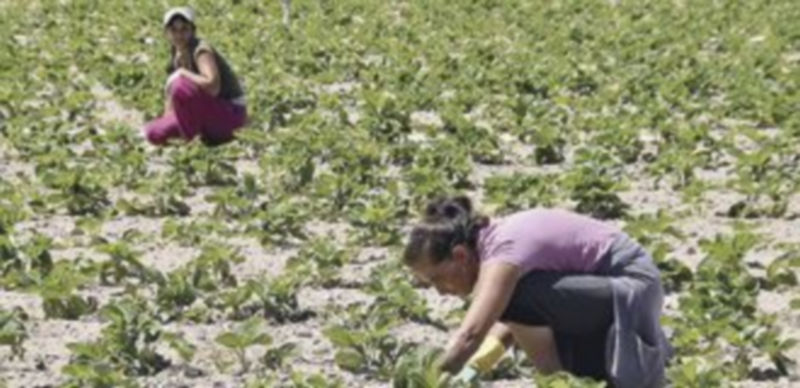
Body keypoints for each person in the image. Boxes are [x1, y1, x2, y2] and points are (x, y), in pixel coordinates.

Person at [402, 195, 672, 388]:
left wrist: (431, 379)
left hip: (631, 287)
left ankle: (554, 379)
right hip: (603, 295)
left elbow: (471, 334)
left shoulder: (504, 252)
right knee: (517, 301)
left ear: (460, 255)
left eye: (437, 279)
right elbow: (517, 322)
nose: (439, 292)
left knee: (518, 296)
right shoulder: (491, 245)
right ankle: (561, 379)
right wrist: (477, 366)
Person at [142, 7, 247, 146]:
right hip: (203, 112)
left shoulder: (201, 50)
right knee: (153, 132)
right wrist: (166, 120)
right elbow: (171, 96)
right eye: (173, 30)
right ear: (166, 33)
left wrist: (182, 73)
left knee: (181, 86)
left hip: (229, 114)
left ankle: (193, 141)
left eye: (184, 29)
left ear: (192, 30)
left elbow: (213, 87)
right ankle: (197, 134)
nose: (179, 35)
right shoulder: (176, 52)